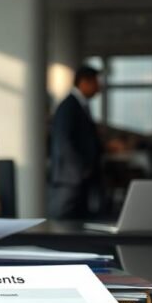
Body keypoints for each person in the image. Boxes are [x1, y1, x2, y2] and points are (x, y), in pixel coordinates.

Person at [48, 64, 103, 218]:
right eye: (96, 83)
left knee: (77, 223)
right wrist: (81, 169)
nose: (99, 88)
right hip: (70, 178)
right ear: (84, 82)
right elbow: (63, 142)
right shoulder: (68, 106)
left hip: (79, 177)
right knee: (61, 222)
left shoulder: (81, 105)